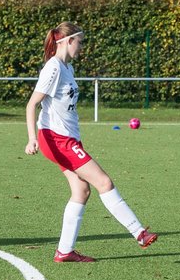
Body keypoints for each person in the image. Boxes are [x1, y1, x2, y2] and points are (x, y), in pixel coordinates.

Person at [25, 22, 158, 263]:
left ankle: (64, 251)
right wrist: (32, 138)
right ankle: (139, 232)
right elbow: (31, 104)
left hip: (66, 138)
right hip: (56, 139)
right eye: (80, 42)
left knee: (81, 191)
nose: (82, 47)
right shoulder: (53, 68)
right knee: (104, 182)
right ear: (67, 41)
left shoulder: (68, 68)